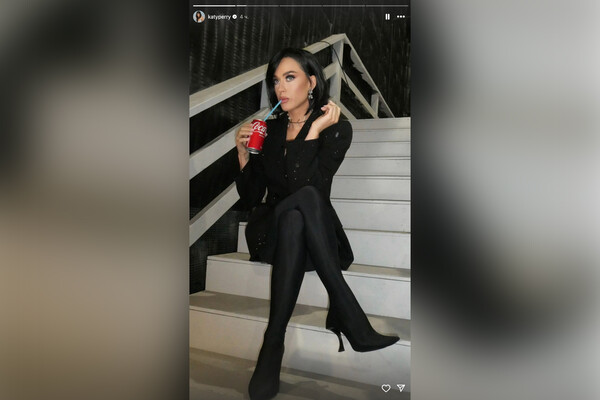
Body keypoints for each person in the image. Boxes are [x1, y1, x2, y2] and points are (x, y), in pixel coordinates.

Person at [235, 48, 399, 400]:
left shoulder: (336, 129)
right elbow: (251, 198)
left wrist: (312, 132)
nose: (280, 87)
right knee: (295, 210)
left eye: (289, 77)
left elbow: (311, 189)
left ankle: (272, 343)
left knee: (302, 208)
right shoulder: (270, 130)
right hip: (271, 228)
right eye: (276, 80)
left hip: (311, 229)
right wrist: (244, 154)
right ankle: (348, 312)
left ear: (311, 82)